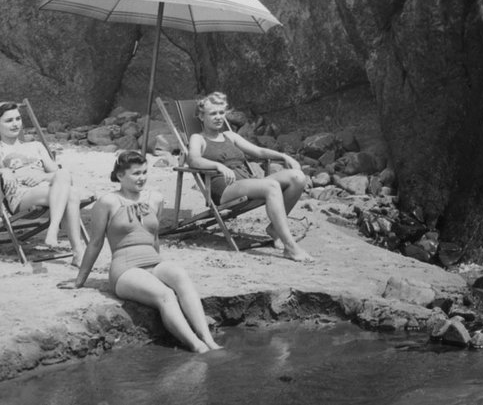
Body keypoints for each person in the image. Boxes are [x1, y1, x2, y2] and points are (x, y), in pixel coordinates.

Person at [73, 150, 221, 353]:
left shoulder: (155, 199)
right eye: (136, 173)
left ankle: (208, 339)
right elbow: (95, 243)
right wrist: (79, 280)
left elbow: (154, 237)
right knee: (166, 294)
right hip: (125, 269)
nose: (142, 178)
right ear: (120, 176)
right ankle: (197, 346)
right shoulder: (107, 202)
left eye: (144, 172)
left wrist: (162, 269)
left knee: (181, 276)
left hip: (154, 262)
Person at [187, 91, 313, 261]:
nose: (218, 117)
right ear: (202, 117)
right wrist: (218, 165)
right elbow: (193, 159)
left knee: (298, 177)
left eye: (221, 112)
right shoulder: (198, 138)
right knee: (271, 186)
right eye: (213, 113)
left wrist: (284, 157)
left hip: (247, 182)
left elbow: (259, 151)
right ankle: (290, 247)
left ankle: (274, 229)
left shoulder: (230, 136)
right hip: (225, 188)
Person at [0, 101, 88, 265]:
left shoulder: (36, 146)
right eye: (9, 120)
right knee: (71, 193)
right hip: (22, 195)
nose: (15, 124)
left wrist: (41, 177)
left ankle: (58, 233)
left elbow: (62, 176)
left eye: (18, 119)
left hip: (49, 190)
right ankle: (75, 249)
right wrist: (4, 171)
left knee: (66, 181)